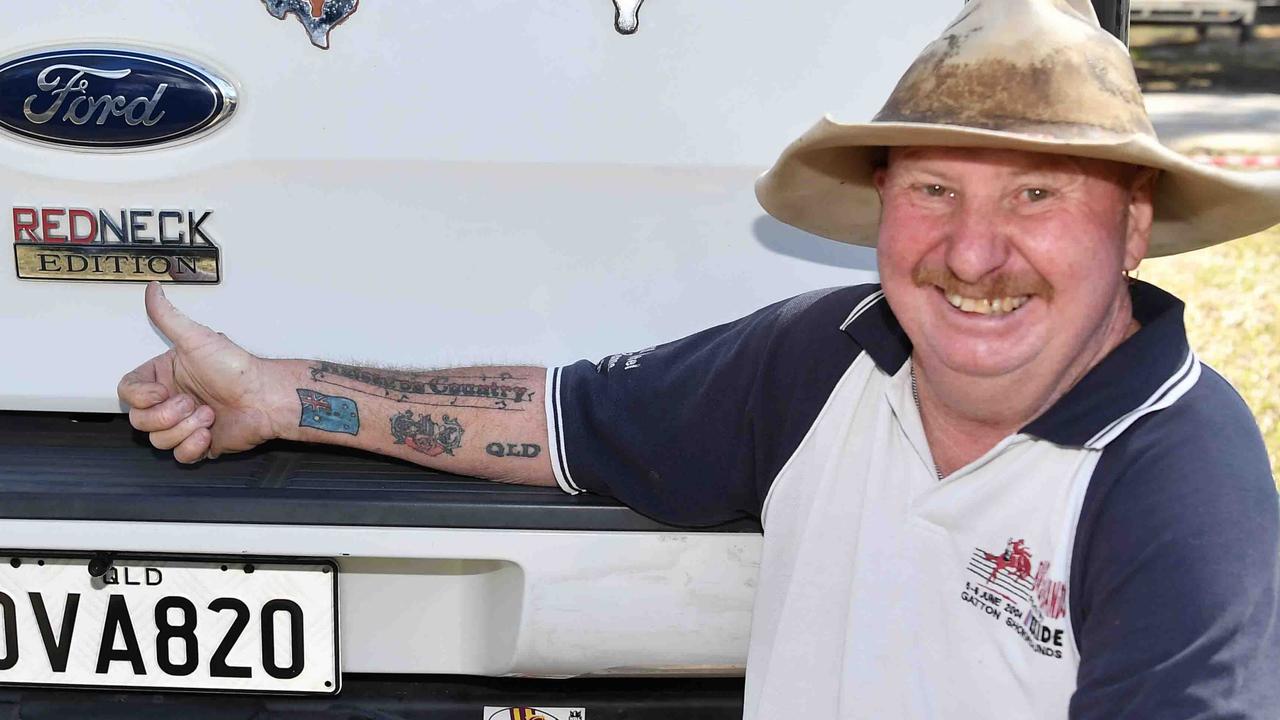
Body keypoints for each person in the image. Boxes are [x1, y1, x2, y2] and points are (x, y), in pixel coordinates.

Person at [118, 0, 1280, 717]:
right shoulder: (826, 361)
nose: (973, 252)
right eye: (932, 189)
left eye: (1035, 194)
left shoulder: (1176, 479)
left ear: (1129, 226)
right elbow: (551, 417)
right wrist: (276, 394)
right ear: (880, 203)